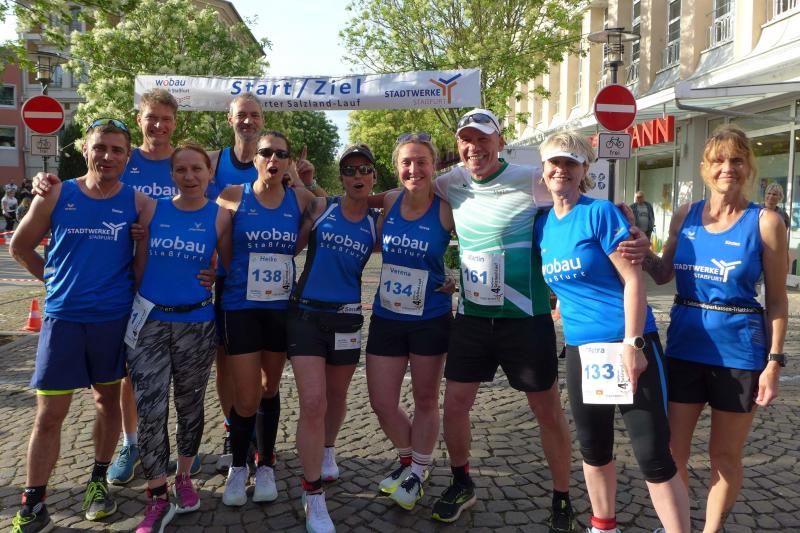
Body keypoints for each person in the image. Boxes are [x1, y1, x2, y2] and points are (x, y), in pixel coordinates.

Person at [29, 89, 201, 485]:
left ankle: (173, 450)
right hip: (98, 302)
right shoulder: (123, 161)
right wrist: (55, 280)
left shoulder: (183, 163)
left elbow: (207, 213)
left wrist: (208, 267)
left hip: (159, 289)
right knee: (121, 383)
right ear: (140, 120)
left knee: (160, 379)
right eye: (152, 117)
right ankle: (131, 443)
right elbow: (25, 242)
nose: (158, 125)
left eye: (166, 119)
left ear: (175, 124)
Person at [425, 109, 575, 531]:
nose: (474, 148)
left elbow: (572, 199)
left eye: (483, 139)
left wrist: (616, 216)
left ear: (500, 142)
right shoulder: (450, 183)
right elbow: (407, 192)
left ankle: (562, 498)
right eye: (466, 140)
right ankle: (462, 482)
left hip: (524, 319)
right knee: (455, 405)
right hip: (473, 319)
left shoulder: (530, 179)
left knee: (547, 411)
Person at [535, 132, 690, 533]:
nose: (561, 170)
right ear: (543, 169)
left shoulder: (600, 213)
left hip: (628, 344)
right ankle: (603, 526)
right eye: (554, 162)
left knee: (653, 454)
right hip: (582, 351)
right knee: (594, 448)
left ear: (584, 169)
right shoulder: (543, 225)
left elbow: (634, 280)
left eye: (570, 163)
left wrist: (633, 344)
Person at [640, 125, 788, 533]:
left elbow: (777, 300)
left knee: (723, 456)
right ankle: (679, 527)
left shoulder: (766, 222)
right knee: (673, 452)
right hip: (684, 348)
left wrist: (774, 362)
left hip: (740, 353)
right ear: (705, 168)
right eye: (719, 161)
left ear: (748, 166)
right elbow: (663, 272)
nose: (728, 168)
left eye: (737, 160)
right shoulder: (685, 215)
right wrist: (638, 243)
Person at [9, 119, 152, 533]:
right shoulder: (56, 192)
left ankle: (98, 482)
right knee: (49, 415)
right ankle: (34, 502)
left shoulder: (139, 202)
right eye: (100, 147)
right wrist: (53, 281)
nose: (108, 156)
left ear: (128, 156)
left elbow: (144, 263)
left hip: (111, 322)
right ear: (85, 150)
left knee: (107, 403)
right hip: (63, 321)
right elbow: (19, 246)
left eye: (117, 149)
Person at [209, 93, 325, 474]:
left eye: (280, 154)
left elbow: (325, 207)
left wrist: (306, 182)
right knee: (234, 378)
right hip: (237, 299)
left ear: (288, 161)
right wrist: (232, 270)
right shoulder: (228, 187)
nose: (273, 159)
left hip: (278, 306)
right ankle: (236, 446)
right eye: (266, 153)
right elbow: (220, 241)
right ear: (255, 160)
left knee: (268, 385)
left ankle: (265, 457)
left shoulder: (298, 197)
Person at [126, 143, 231, 533]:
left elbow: (230, 265)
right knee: (150, 408)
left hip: (196, 324)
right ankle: (157, 494)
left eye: (196, 169)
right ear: (171, 175)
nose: (189, 176)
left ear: (209, 174)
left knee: (189, 406)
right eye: (181, 170)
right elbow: (139, 264)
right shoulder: (152, 210)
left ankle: (184, 476)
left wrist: (214, 274)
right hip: (150, 322)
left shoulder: (220, 215)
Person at [288, 144, 379, 533]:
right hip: (306, 315)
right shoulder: (321, 206)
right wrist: (300, 177)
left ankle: (327, 449)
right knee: (313, 401)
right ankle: (312, 494)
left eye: (364, 169)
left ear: (374, 176)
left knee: (337, 396)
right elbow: (290, 244)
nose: (357, 175)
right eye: (350, 169)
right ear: (341, 177)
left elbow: (413, 251)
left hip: (347, 320)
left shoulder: (377, 223)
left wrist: (445, 278)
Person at [366, 133, 454, 510]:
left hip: (430, 316)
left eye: (421, 162)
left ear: (434, 166)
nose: (414, 169)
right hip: (387, 314)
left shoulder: (446, 207)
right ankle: (409, 461)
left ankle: (418, 470)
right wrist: (303, 181)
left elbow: (482, 240)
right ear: (396, 167)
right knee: (381, 401)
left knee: (425, 399)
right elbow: (349, 198)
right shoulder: (389, 200)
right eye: (406, 162)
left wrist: (458, 277)